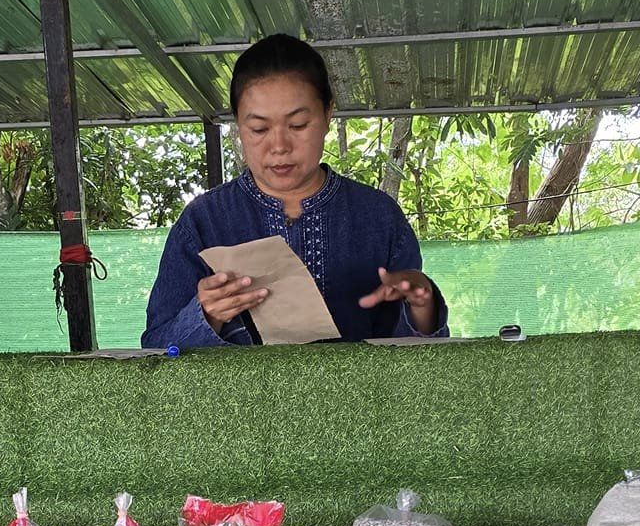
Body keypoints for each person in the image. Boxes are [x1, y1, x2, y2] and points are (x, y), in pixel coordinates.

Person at [143, 34, 447, 348]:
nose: (279, 147)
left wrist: (422, 307)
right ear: (238, 124)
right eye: (259, 129)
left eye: (299, 125)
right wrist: (207, 314)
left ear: (328, 114)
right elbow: (154, 348)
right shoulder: (204, 222)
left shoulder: (378, 217)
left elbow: (413, 364)